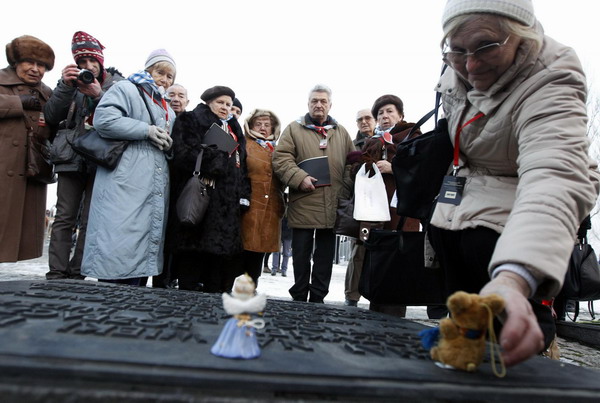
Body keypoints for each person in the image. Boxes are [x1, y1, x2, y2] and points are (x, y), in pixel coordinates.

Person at [429, 0, 599, 366]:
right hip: (458, 211)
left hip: (518, 222)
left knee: (511, 321)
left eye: (486, 46)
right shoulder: (458, 64)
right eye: (457, 50)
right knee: (467, 324)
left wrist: (515, 276)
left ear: (520, 36)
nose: (471, 65)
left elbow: (553, 176)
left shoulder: (552, 77)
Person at [81, 49, 176, 285]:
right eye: (160, 72)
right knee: (119, 236)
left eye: (170, 76)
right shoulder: (126, 88)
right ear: (148, 70)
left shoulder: (167, 107)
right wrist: (147, 130)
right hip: (125, 172)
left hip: (153, 176)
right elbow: (105, 120)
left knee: (143, 239)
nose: (164, 80)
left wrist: (168, 145)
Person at [44, 31, 123, 280]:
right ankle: (57, 271)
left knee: (92, 218)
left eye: (92, 62)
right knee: (65, 216)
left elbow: (120, 119)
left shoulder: (117, 86)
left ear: (101, 60)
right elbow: (51, 116)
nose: (88, 67)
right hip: (69, 156)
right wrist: (65, 87)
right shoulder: (70, 84)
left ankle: (79, 271)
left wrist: (99, 96)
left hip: (100, 159)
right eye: (81, 63)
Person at [272, 84, 355, 303]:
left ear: (330, 105)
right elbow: (281, 159)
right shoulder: (293, 129)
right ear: (308, 104)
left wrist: (344, 188)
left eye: (323, 101)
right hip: (304, 201)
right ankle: (299, 294)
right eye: (314, 101)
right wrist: (300, 178)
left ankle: (318, 296)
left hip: (332, 203)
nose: (319, 105)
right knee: (301, 253)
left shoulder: (342, 132)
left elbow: (351, 163)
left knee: (325, 256)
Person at [169, 85, 251, 293]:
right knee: (193, 253)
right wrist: (217, 160)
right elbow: (182, 154)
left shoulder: (234, 130)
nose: (225, 108)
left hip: (226, 203)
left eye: (229, 104)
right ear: (208, 102)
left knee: (218, 260)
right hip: (202, 196)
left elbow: (243, 167)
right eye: (220, 103)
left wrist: (243, 194)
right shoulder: (190, 120)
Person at [345, 95, 422, 311]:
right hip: (374, 211)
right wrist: (362, 165)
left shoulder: (413, 135)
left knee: (397, 258)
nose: (384, 116)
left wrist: (394, 167)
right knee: (373, 256)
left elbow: (421, 169)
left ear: (400, 115)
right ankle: (370, 304)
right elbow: (357, 173)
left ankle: (395, 310)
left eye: (389, 111)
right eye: (380, 113)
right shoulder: (373, 141)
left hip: (402, 211)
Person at [0, 35, 55, 263]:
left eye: (41, 65)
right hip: (3, 167)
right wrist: (18, 102)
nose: (35, 69)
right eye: (29, 63)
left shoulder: (47, 93)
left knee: (10, 238)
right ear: (16, 62)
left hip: (28, 171)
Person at [239, 109, 285, 286]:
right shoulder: (244, 144)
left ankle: (252, 284)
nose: (263, 128)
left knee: (260, 249)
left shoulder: (278, 149)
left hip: (272, 208)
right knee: (244, 246)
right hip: (249, 205)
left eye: (267, 124)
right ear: (250, 126)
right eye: (258, 124)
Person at [272, 207, 292, 277]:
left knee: (286, 253)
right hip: (279, 233)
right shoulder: (280, 209)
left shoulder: (291, 210)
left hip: (288, 234)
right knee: (276, 251)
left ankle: (283, 269)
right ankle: (275, 268)